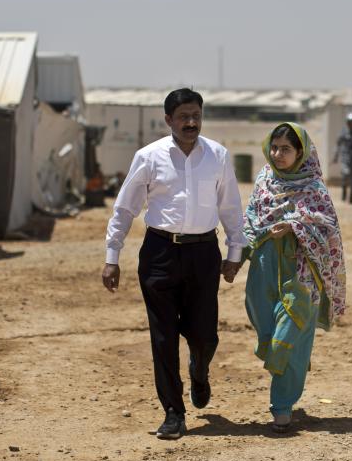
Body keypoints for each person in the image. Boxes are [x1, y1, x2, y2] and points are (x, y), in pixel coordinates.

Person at [101, 88, 246, 440]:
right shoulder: (149, 157)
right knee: (163, 338)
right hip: (160, 254)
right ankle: (173, 412)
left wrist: (235, 253)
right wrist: (112, 256)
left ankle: (199, 368)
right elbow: (125, 207)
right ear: (168, 120)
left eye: (196, 115)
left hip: (203, 254)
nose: (191, 122)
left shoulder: (218, 155)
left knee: (205, 334)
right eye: (183, 116)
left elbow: (230, 207)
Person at [241, 122, 346, 433]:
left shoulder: (314, 189)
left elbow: (328, 230)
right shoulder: (263, 181)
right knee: (271, 329)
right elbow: (250, 219)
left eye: (285, 149)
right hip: (263, 269)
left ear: (301, 152)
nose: (278, 154)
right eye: (274, 148)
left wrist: (294, 227)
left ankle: (282, 408)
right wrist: (237, 256)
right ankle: (286, 390)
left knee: (289, 333)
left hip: (302, 273)